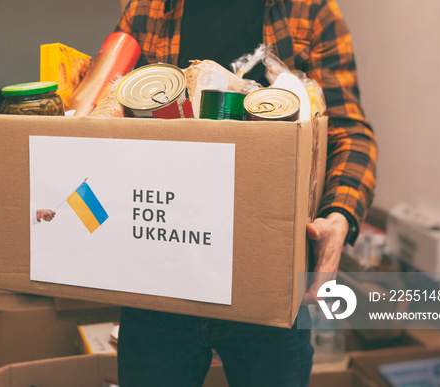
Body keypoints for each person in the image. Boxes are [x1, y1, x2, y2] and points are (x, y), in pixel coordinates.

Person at [114, 0, 377, 385]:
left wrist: (339, 217)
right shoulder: (146, 11)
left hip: (269, 278)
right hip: (162, 274)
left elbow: (350, 133)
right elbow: (112, 119)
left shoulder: (310, 11)